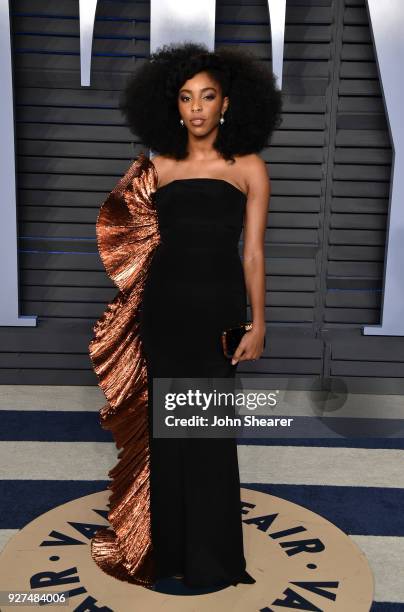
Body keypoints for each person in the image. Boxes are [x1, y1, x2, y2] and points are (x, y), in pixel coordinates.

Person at [88, 41, 282, 591]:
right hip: (164, 311)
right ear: (173, 106)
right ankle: (164, 552)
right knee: (166, 434)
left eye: (208, 96)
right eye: (185, 97)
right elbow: (129, 236)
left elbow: (254, 253)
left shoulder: (248, 167)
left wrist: (258, 322)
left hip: (219, 311)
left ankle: (213, 559)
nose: (196, 107)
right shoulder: (157, 163)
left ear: (228, 104)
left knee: (209, 432)